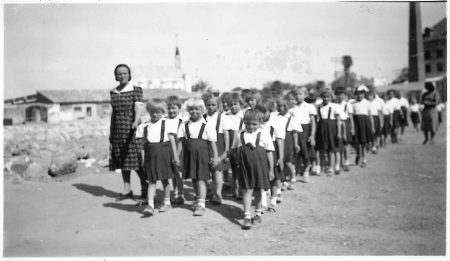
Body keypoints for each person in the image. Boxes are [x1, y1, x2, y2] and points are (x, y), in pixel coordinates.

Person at [230, 109, 274, 230]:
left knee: (258, 190)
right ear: (244, 122)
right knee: (246, 190)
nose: (251, 126)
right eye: (248, 124)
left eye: (254, 124)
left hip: (260, 167)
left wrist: (271, 170)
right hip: (245, 167)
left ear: (260, 123)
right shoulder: (240, 134)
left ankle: (258, 213)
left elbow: (269, 152)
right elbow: (233, 149)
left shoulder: (264, 134)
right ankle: (247, 216)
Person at [109, 64, 148, 200]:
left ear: (129, 74)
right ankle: (127, 189)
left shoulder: (136, 90)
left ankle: (145, 187)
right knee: (122, 160)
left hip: (132, 128)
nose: (122, 76)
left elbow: (138, 108)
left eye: (125, 73)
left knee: (135, 160)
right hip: (118, 129)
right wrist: (111, 132)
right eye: (119, 74)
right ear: (116, 76)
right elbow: (114, 113)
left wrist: (136, 121)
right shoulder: (113, 92)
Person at [177, 98, 221, 216]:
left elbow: (212, 142)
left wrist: (215, 156)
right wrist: (176, 156)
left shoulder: (207, 124)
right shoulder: (184, 124)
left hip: (203, 155)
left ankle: (201, 205)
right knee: (194, 178)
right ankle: (198, 199)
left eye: (197, 109)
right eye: (191, 109)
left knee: (201, 179)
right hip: (189, 155)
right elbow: (181, 142)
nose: (194, 111)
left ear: (201, 110)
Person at [137, 101, 179, 215]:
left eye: (158, 112)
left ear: (162, 112)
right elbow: (142, 146)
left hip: (164, 153)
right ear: (149, 112)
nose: (155, 115)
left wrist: (175, 157)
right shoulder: (144, 126)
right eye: (152, 112)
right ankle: (150, 205)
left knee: (165, 179)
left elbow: (172, 141)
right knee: (152, 180)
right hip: (150, 155)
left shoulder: (167, 123)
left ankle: (167, 202)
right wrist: (142, 159)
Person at [202, 93, 229, 205]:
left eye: (213, 105)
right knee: (208, 171)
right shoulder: (203, 117)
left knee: (218, 171)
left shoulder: (222, 117)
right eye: (208, 105)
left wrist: (227, 150)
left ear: (218, 105)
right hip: (206, 146)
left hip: (219, 145)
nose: (210, 107)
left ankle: (218, 194)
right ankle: (210, 192)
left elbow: (226, 134)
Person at [256, 101, 284, 212]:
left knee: (274, 176)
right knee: (262, 175)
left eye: (265, 112)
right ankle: (263, 201)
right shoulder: (256, 122)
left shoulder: (276, 122)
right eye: (260, 112)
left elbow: (280, 140)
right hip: (260, 150)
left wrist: (281, 157)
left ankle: (273, 200)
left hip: (273, 150)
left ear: (270, 111)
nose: (263, 115)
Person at [288, 87, 317, 183]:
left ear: (305, 95)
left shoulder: (309, 106)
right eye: (296, 94)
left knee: (306, 151)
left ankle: (306, 171)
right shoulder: (292, 108)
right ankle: (295, 172)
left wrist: (312, 135)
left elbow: (313, 122)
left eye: (300, 94)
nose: (298, 96)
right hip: (295, 131)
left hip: (306, 131)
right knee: (296, 151)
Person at [166, 95, 188, 205]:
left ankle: (181, 193)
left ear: (179, 108)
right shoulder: (165, 120)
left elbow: (183, 137)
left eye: (174, 108)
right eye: (169, 108)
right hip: (169, 148)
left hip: (180, 147)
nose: (171, 110)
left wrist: (178, 154)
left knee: (179, 172)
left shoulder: (183, 120)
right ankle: (175, 192)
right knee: (173, 172)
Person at [223, 93, 245, 199]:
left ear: (240, 104)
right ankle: (235, 189)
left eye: (236, 104)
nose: (233, 107)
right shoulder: (226, 116)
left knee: (242, 169)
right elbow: (226, 133)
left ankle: (242, 190)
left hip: (241, 145)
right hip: (230, 144)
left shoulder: (244, 116)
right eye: (231, 105)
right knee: (233, 169)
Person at [276, 98, 302, 189]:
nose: (279, 108)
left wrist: (296, 144)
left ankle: (292, 178)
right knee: (280, 162)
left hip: (288, 142)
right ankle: (283, 181)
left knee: (288, 162)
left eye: (281, 106)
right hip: (279, 141)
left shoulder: (290, 118)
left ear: (286, 107)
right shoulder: (276, 117)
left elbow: (295, 133)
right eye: (278, 106)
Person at [316, 90, 342, 175]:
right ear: (321, 97)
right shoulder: (319, 106)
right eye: (324, 97)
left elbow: (338, 120)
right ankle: (322, 166)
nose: (326, 98)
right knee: (322, 149)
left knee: (332, 149)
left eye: (328, 97)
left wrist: (338, 132)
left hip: (332, 129)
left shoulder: (335, 106)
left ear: (331, 97)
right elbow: (317, 120)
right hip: (321, 129)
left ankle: (331, 167)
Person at [352, 85, 374, 167]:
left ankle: (364, 159)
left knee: (364, 142)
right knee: (356, 142)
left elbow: (370, 116)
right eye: (358, 94)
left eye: (361, 94)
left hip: (365, 123)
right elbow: (352, 116)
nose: (359, 95)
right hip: (356, 123)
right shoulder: (353, 104)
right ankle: (358, 154)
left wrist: (372, 126)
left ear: (364, 94)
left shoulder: (367, 103)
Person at [335, 87, 354, 171]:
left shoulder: (347, 105)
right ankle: (339, 162)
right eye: (338, 95)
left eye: (342, 95)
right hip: (336, 124)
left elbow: (351, 118)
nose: (340, 96)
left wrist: (352, 128)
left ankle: (346, 162)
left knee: (346, 144)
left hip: (345, 124)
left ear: (345, 95)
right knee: (338, 144)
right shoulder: (334, 104)